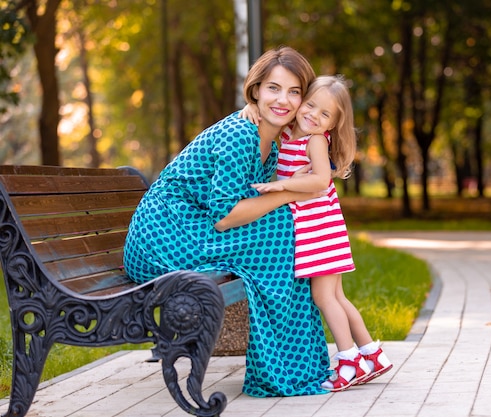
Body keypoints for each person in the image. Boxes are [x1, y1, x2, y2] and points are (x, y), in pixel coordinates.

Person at [123, 46, 333, 397]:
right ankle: (287, 371)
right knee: (281, 228)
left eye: (294, 92)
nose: (283, 100)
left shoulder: (271, 140)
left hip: (191, 227)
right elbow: (225, 218)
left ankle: (298, 368)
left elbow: (246, 202)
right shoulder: (241, 135)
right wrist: (290, 194)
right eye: (273, 88)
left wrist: (289, 187)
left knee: (282, 229)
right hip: (162, 236)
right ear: (255, 90)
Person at [243, 75, 392, 392]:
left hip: (319, 230)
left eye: (324, 114)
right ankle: (372, 353)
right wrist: (251, 108)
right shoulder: (288, 133)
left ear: (333, 124)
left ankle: (349, 359)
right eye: (310, 105)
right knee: (338, 296)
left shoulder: (314, 141)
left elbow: (322, 180)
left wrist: (282, 185)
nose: (312, 115)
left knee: (323, 297)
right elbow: (268, 124)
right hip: (322, 229)